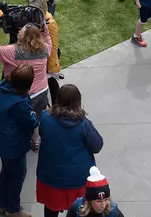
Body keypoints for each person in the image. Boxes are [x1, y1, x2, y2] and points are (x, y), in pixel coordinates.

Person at [36, 85, 104, 217]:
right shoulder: (84, 124)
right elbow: (97, 146)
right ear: (78, 101)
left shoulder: (45, 117)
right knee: (80, 210)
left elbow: (42, 133)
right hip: (77, 180)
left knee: (51, 209)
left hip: (50, 177)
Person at [0, 14, 52, 148]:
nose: (18, 31)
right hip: (42, 92)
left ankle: (20, 141)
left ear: (26, 37)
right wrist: (45, 27)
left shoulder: (14, 51)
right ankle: (36, 141)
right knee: (36, 118)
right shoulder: (45, 48)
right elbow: (49, 40)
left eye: (21, 31)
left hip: (24, 95)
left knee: (19, 120)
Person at [0, 63, 38, 217]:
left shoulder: (3, 87)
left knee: (6, 171)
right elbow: (30, 123)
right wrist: (34, 116)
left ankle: (3, 205)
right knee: (18, 174)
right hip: (11, 146)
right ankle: (13, 209)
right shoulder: (20, 104)